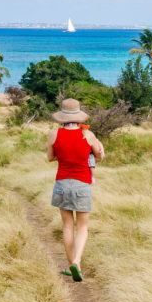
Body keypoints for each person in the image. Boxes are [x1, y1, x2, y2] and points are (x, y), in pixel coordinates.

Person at [47, 98, 105, 282]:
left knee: (67, 226)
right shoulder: (88, 135)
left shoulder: (54, 134)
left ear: (62, 117)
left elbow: (50, 157)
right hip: (82, 184)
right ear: (79, 116)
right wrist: (100, 148)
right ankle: (77, 261)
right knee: (82, 227)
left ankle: (71, 263)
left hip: (62, 183)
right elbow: (98, 157)